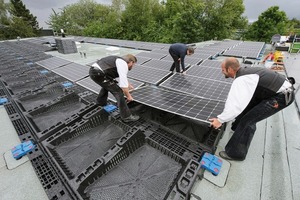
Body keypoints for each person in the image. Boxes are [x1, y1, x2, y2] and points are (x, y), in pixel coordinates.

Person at [209, 57, 294, 161]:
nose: (222, 73)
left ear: (230, 69)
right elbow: (243, 101)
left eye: (223, 70)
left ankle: (236, 154)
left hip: (280, 97)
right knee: (247, 108)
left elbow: (235, 104)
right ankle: (236, 128)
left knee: (248, 121)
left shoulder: (242, 79)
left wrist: (220, 120)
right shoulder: (245, 71)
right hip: (272, 91)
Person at [89, 54, 140, 123]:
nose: (133, 66)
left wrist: (128, 84)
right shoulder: (123, 64)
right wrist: (128, 96)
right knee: (118, 92)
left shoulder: (119, 60)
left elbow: (123, 76)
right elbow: (123, 86)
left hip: (94, 72)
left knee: (107, 86)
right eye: (133, 64)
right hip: (99, 73)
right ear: (131, 62)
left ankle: (100, 103)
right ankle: (127, 117)